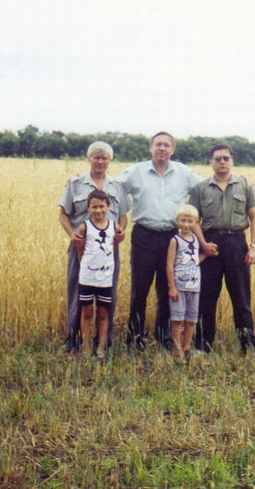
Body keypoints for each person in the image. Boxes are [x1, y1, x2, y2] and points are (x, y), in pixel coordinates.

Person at [117, 131, 206, 351]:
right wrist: (81, 180)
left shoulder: (183, 173)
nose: (162, 148)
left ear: (172, 150)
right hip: (144, 236)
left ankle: (164, 336)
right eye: (158, 144)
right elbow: (113, 187)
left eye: (167, 145)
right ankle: (134, 339)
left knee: (167, 289)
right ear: (151, 148)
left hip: (172, 238)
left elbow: (205, 188)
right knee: (140, 289)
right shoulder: (137, 171)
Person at [190, 144, 255, 359]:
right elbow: (193, 221)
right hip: (211, 245)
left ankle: (250, 347)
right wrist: (203, 244)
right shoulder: (200, 189)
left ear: (232, 161)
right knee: (207, 297)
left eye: (226, 158)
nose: (222, 162)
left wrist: (254, 247)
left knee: (241, 298)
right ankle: (202, 347)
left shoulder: (245, 185)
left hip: (237, 244)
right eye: (217, 159)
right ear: (211, 162)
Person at [58, 141, 129, 354]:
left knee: (108, 293)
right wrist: (73, 236)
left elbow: (123, 217)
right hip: (81, 247)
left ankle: (104, 342)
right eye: (96, 157)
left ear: (110, 160)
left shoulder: (117, 186)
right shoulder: (76, 183)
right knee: (78, 292)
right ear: (89, 159)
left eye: (104, 157)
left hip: (108, 249)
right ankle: (74, 340)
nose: (100, 161)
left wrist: (121, 231)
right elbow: (63, 214)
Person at [75, 190, 117, 359]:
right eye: (94, 207)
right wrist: (86, 267)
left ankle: (101, 347)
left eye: (101, 206)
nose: (98, 210)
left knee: (103, 313)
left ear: (108, 207)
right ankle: (85, 347)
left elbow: (118, 239)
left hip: (105, 277)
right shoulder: (85, 227)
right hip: (87, 276)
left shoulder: (114, 226)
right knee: (87, 313)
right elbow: (80, 249)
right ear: (88, 208)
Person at [166, 204, 205, 361]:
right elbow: (169, 265)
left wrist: (208, 254)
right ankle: (177, 351)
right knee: (178, 319)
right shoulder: (175, 240)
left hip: (194, 286)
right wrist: (172, 287)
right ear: (177, 221)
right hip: (179, 287)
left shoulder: (196, 240)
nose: (186, 224)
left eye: (190, 221)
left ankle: (187, 348)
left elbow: (195, 260)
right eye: (183, 221)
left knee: (191, 320)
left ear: (197, 223)